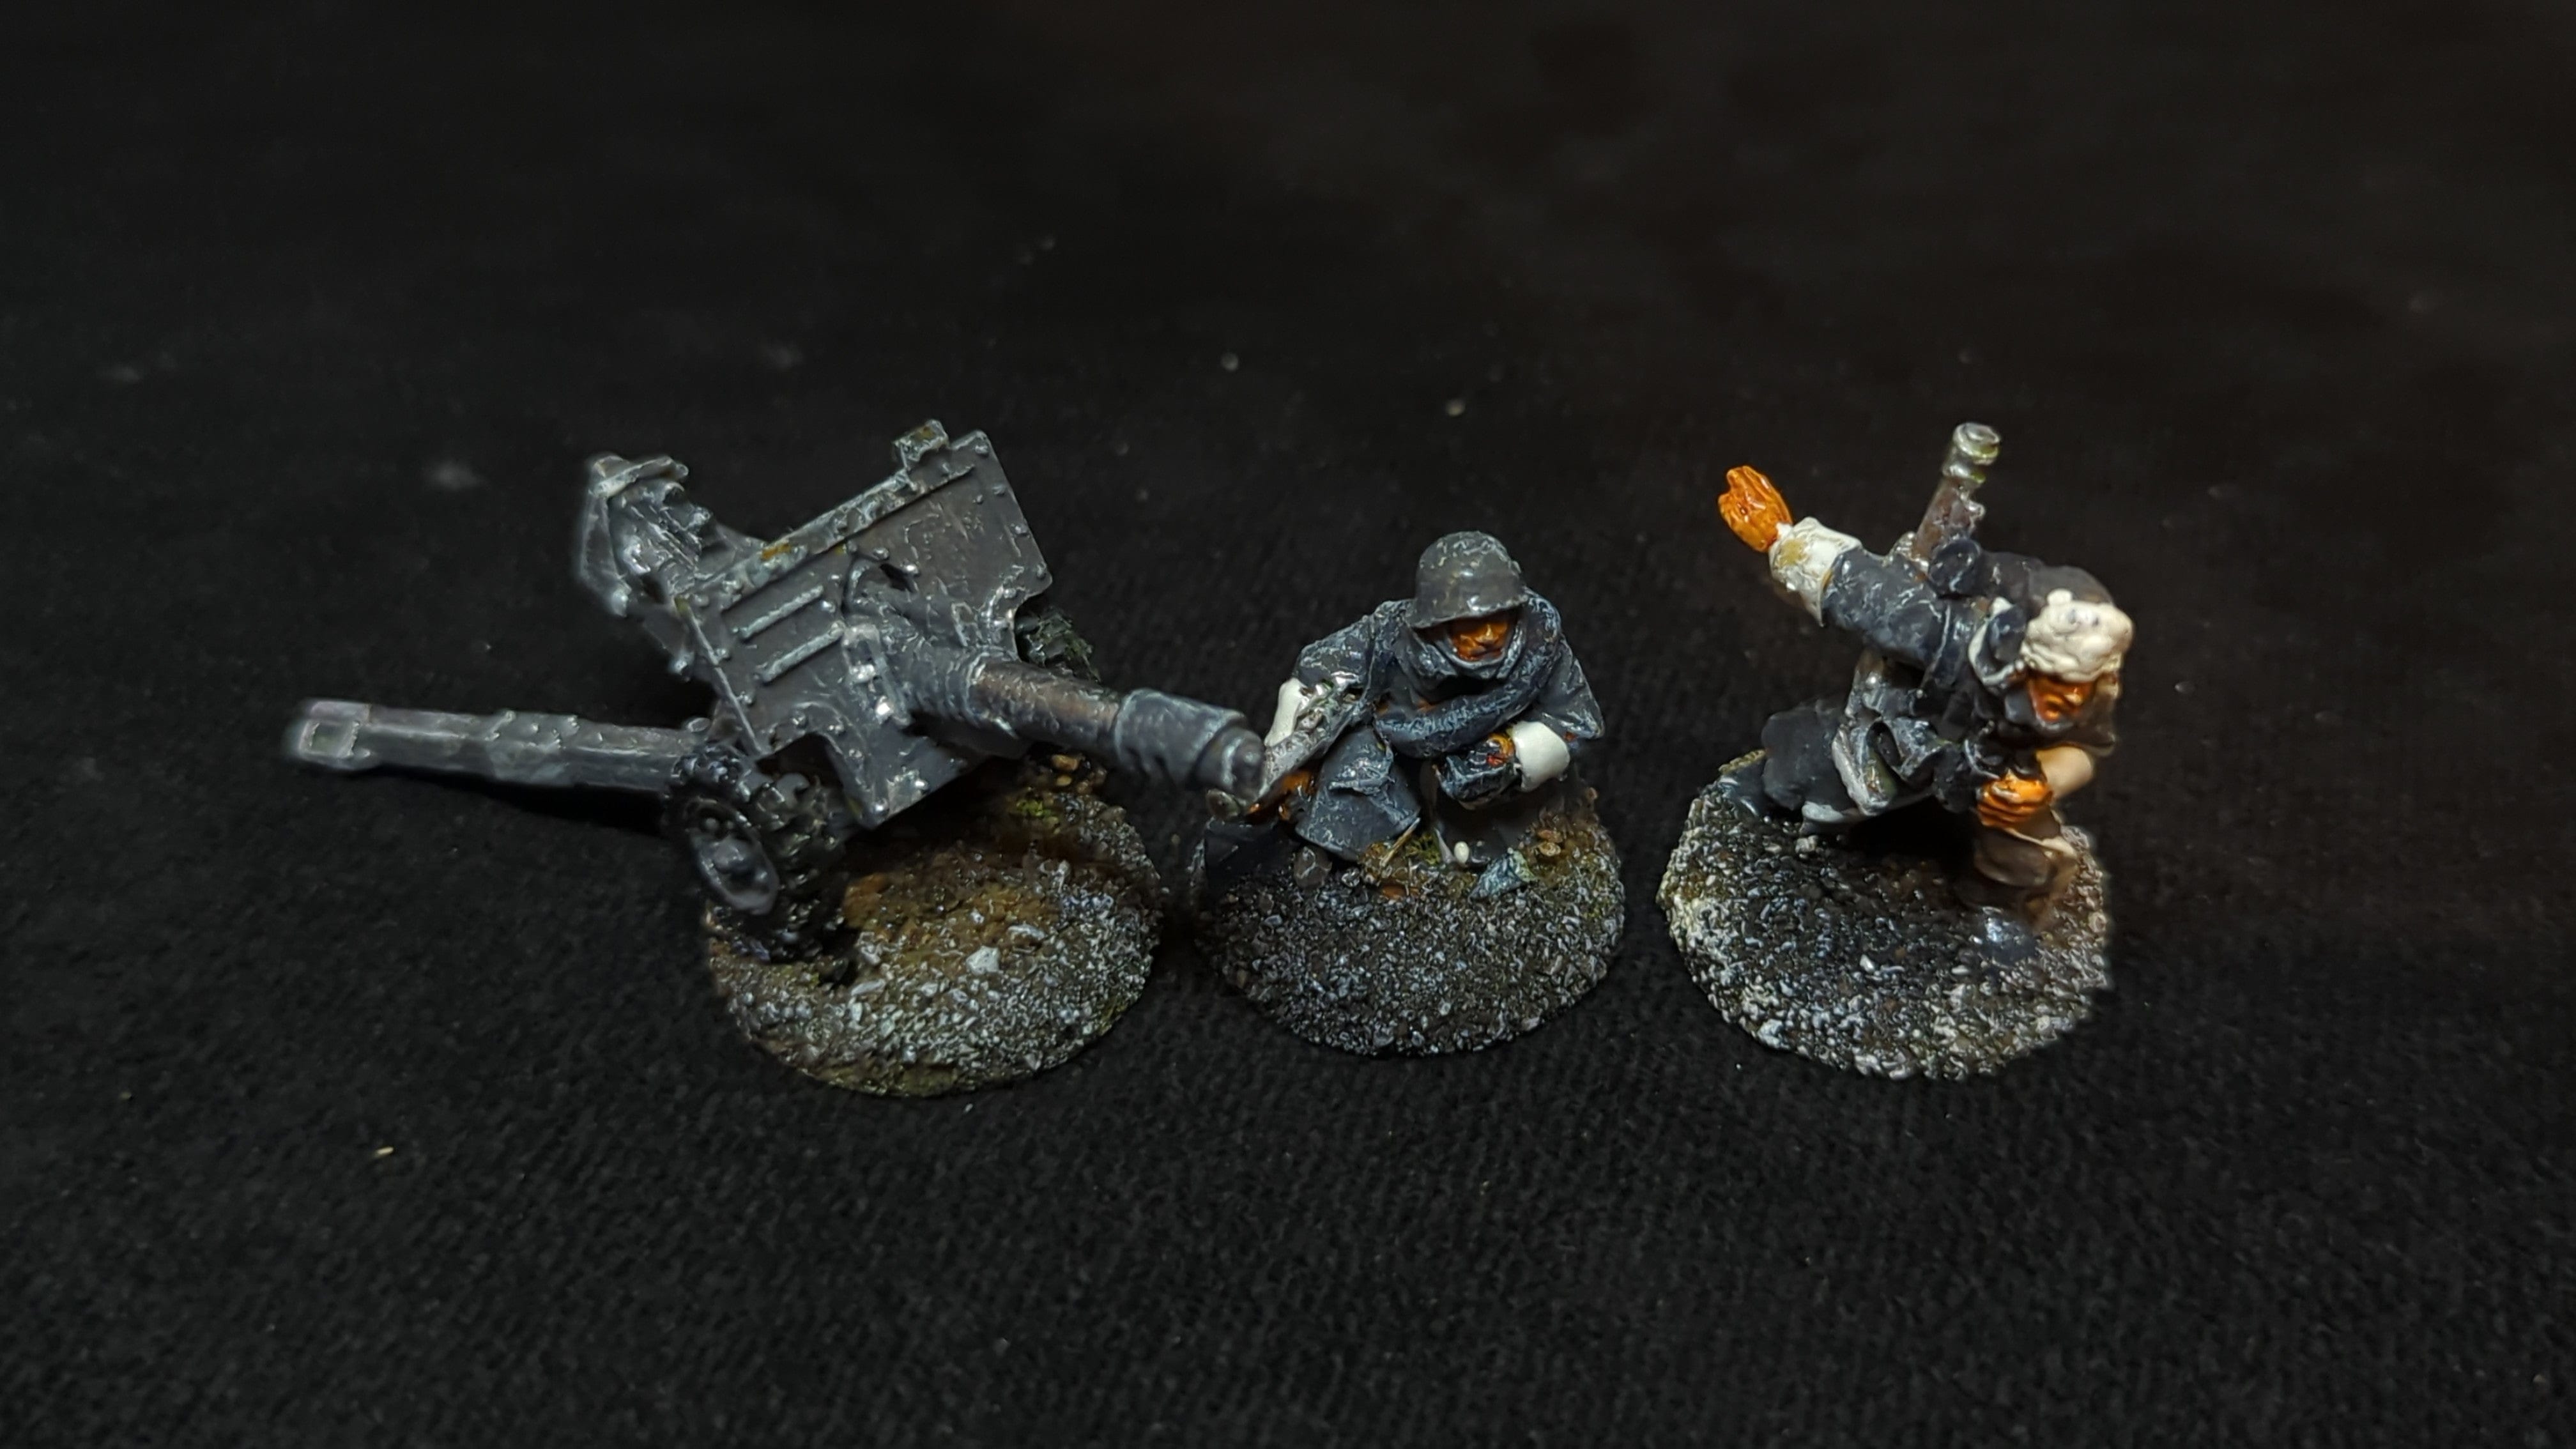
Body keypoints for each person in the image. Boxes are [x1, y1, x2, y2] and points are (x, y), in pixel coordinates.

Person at [1715, 463, 2131, 910]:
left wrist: (2040, 787)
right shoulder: (1954, 638)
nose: (2072, 698)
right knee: (1805, 772)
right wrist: (1783, 537)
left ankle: (1998, 911)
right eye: (2060, 682)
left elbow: (2085, 749)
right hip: (1912, 739)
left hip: (1994, 776)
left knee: (2031, 860)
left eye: (2081, 686)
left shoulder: (2092, 695)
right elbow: (1870, 596)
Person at [1260, 531, 1602, 879]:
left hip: (1498, 804)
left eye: (1498, 618)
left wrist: (1514, 754)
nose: (1487, 636)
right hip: (1399, 764)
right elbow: (1322, 668)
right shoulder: (1391, 636)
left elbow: (1577, 722)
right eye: (1470, 622)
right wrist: (1291, 731)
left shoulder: (1542, 650)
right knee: (1351, 776)